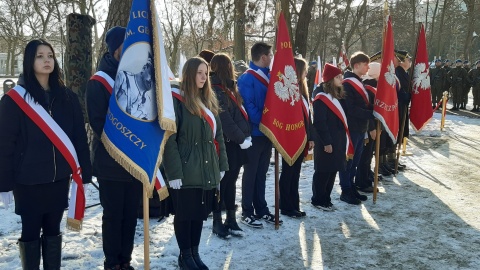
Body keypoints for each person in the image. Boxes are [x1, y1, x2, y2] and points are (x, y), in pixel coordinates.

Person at [0, 38, 92, 269]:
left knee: (53, 230)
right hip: (27, 181)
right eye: (40, 56)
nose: (46, 60)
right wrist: (4, 182)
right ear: (30, 61)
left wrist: (86, 173)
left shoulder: (68, 98)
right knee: (30, 231)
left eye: (50, 55)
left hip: (58, 179)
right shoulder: (14, 101)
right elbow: (4, 144)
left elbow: (79, 137)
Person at [163, 57, 228, 270]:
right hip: (185, 169)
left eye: (206, 73)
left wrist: (221, 166)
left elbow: (218, 138)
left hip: (206, 168)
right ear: (189, 74)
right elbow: (170, 138)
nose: (203, 77)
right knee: (185, 215)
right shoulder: (177, 100)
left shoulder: (208, 100)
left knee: (199, 215)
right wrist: (174, 172)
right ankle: (185, 256)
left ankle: (195, 253)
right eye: (199, 73)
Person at [86, 26, 142, 270]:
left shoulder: (137, 76)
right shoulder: (99, 81)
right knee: (113, 216)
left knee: (131, 216)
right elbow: (98, 122)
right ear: (116, 48)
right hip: (111, 161)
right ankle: (112, 262)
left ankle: (125, 260)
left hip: (135, 160)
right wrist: (125, 142)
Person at [238, 42, 282, 228]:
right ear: (263, 57)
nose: (272, 58)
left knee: (262, 173)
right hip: (255, 133)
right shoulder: (247, 79)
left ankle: (261, 208)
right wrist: (267, 123)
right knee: (251, 173)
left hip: (267, 134)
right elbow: (249, 107)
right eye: (270, 55)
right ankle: (247, 211)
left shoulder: (272, 76)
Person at [210, 53, 251, 238]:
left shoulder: (228, 87)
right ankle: (217, 221)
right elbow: (225, 120)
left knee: (231, 182)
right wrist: (241, 138)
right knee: (222, 184)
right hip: (226, 144)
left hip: (234, 144)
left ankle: (231, 219)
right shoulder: (216, 90)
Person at [279, 57, 313, 217]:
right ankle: (286, 206)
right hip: (290, 137)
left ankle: (294, 204)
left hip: (302, 137)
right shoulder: (289, 90)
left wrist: (310, 137)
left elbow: (308, 117)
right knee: (288, 173)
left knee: (295, 173)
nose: (307, 73)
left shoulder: (303, 90)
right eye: (304, 70)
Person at [339, 52, 374, 205]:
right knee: (348, 160)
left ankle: (351, 186)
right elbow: (350, 109)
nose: (368, 67)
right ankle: (345, 189)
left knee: (356, 160)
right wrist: (371, 113)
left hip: (361, 127)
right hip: (352, 127)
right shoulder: (347, 83)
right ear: (356, 65)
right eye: (365, 64)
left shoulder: (359, 82)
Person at [311, 63, 347, 211]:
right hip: (326, 140)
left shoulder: (336, 95)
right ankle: (318, 199)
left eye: (341, 76)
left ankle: (326, 198)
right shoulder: (321, 98)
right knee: (323, 171)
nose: (341, 79)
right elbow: (320, 122)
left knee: (333, 170)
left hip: (337, 140)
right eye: (338, 76)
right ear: (330, 79)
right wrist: (326, 142)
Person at [355, 62, 381, 192]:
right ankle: (361, 181)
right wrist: (372, 128)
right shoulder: (369, 86)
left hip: (371, 125)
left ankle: (365, 178)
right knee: (364, 157)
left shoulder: (371, 84)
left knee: (368, 155)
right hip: (368, 127)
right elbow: (367, 107)